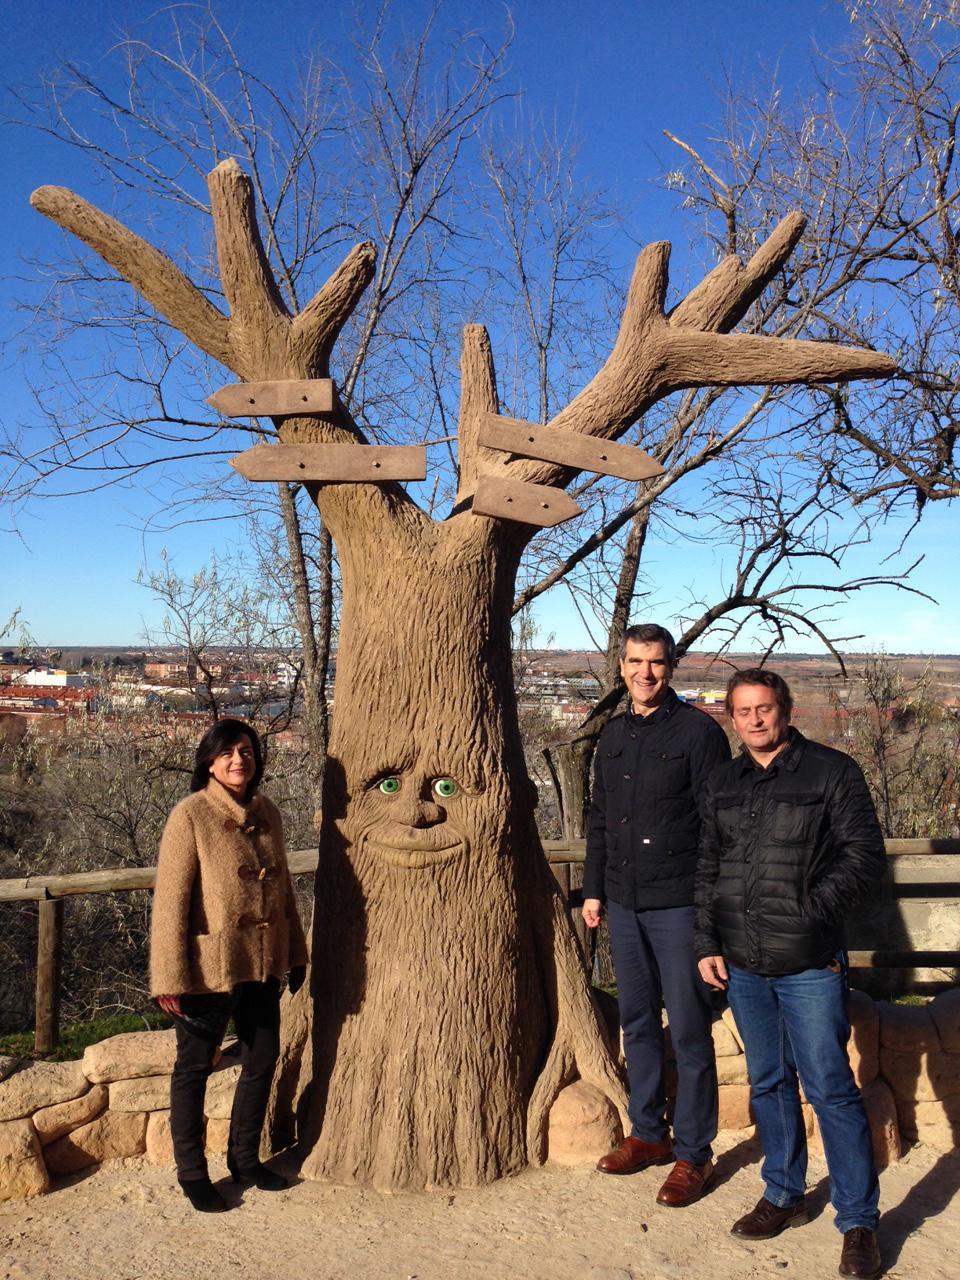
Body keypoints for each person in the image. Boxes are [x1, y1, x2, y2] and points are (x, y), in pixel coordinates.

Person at [695, 669, 884, 1280]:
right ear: (731, 717)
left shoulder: (832, 772)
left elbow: (864, 857)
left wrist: (809, 912)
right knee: (770, 1082)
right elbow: (708, 866)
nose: (754, 719)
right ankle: (783, 1194)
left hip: (809, 963)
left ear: (786, 709)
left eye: (764, 708)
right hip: (744, 964)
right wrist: (707, 941)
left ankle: (858, 1222)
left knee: (830, 1088)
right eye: (743, 710)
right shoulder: (723, 781)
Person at [582, 623, 731, 1208]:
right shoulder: (613, 736)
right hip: (624, 904)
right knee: (638, 1022)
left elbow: (717, 829)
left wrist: (709, 914)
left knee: (689, 1031)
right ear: (621, 666)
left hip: (680, 906)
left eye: (657, 663)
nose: (645, 673)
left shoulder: (698, 733)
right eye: (636, 662)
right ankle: (648, 1133)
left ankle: (694, 1152)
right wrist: (594, 891)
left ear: (671, 667)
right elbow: (600, 820)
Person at [150, 718, 308, 1213]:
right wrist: (169, 977)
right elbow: (170, 901)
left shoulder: (268, 812)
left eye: (246, 751)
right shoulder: (190, 815)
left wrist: (295, 952)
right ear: (210, 762)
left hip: (262, 962)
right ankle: (193, 1174)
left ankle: (244, 1159)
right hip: (207, 967)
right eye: (227, 753)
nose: (239, 760)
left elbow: (283, 890)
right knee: (193, 1069)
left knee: (262, 1059)